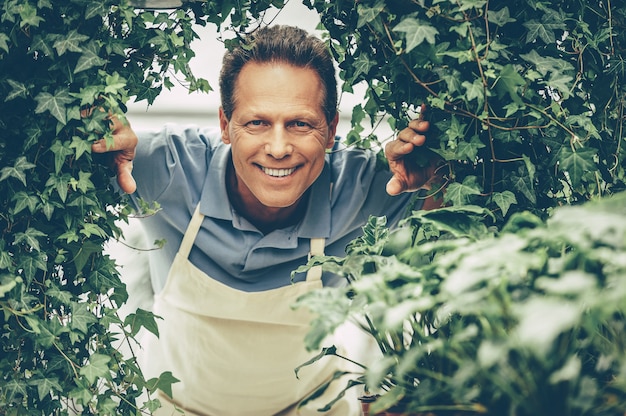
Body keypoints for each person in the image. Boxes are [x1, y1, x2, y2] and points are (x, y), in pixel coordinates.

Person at [93, 25, 442, 416]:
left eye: (300, 124)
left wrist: (435, 177)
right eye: (257, 123)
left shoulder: (368, 185)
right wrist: (98, 151)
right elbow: (84, 170)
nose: (278, 148)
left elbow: (454, 229)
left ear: (330, 130)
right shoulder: (166, 170)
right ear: (225, 125)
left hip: (312, 408)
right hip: (176, 408)